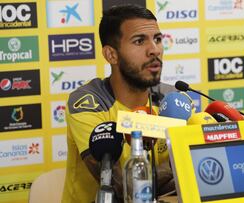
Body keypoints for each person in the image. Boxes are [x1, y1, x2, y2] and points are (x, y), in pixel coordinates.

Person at [62, 4, 176, 203]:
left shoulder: (173, 100)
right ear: (111, 55)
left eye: (157, 39)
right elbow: (123, 187)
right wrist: (182, 164)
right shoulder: (88, 103)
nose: (154, 50)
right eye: (140, 41)